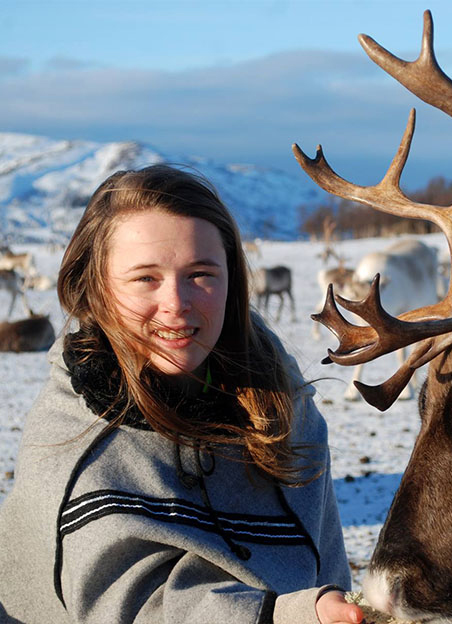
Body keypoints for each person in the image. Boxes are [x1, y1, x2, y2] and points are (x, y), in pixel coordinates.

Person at [0, 165, 365, 624]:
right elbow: (129, 608)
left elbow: (325, 562)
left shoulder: (283, 407)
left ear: (232, 281)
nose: (176, 302)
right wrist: (285, 616)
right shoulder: (79, 443)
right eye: (145, 279)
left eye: (200, 274)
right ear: (96, 289)